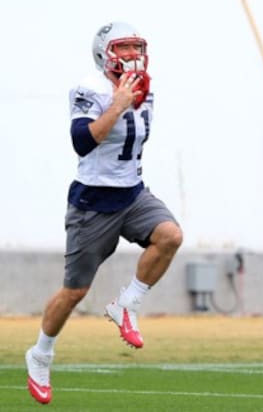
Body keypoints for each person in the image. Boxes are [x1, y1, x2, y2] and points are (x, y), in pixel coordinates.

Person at [25, 22, 183, 404]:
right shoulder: (89, 88)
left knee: (170, 236)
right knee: (74, 290)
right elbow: (82, 141)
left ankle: (126, 303)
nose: (131, 56)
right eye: (123, 49)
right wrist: (118, 105)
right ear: (104, 53)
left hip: (132, 194)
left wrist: (130, 102)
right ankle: (41, 353)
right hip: (93, 203)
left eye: (135, 48)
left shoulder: (148, 89)